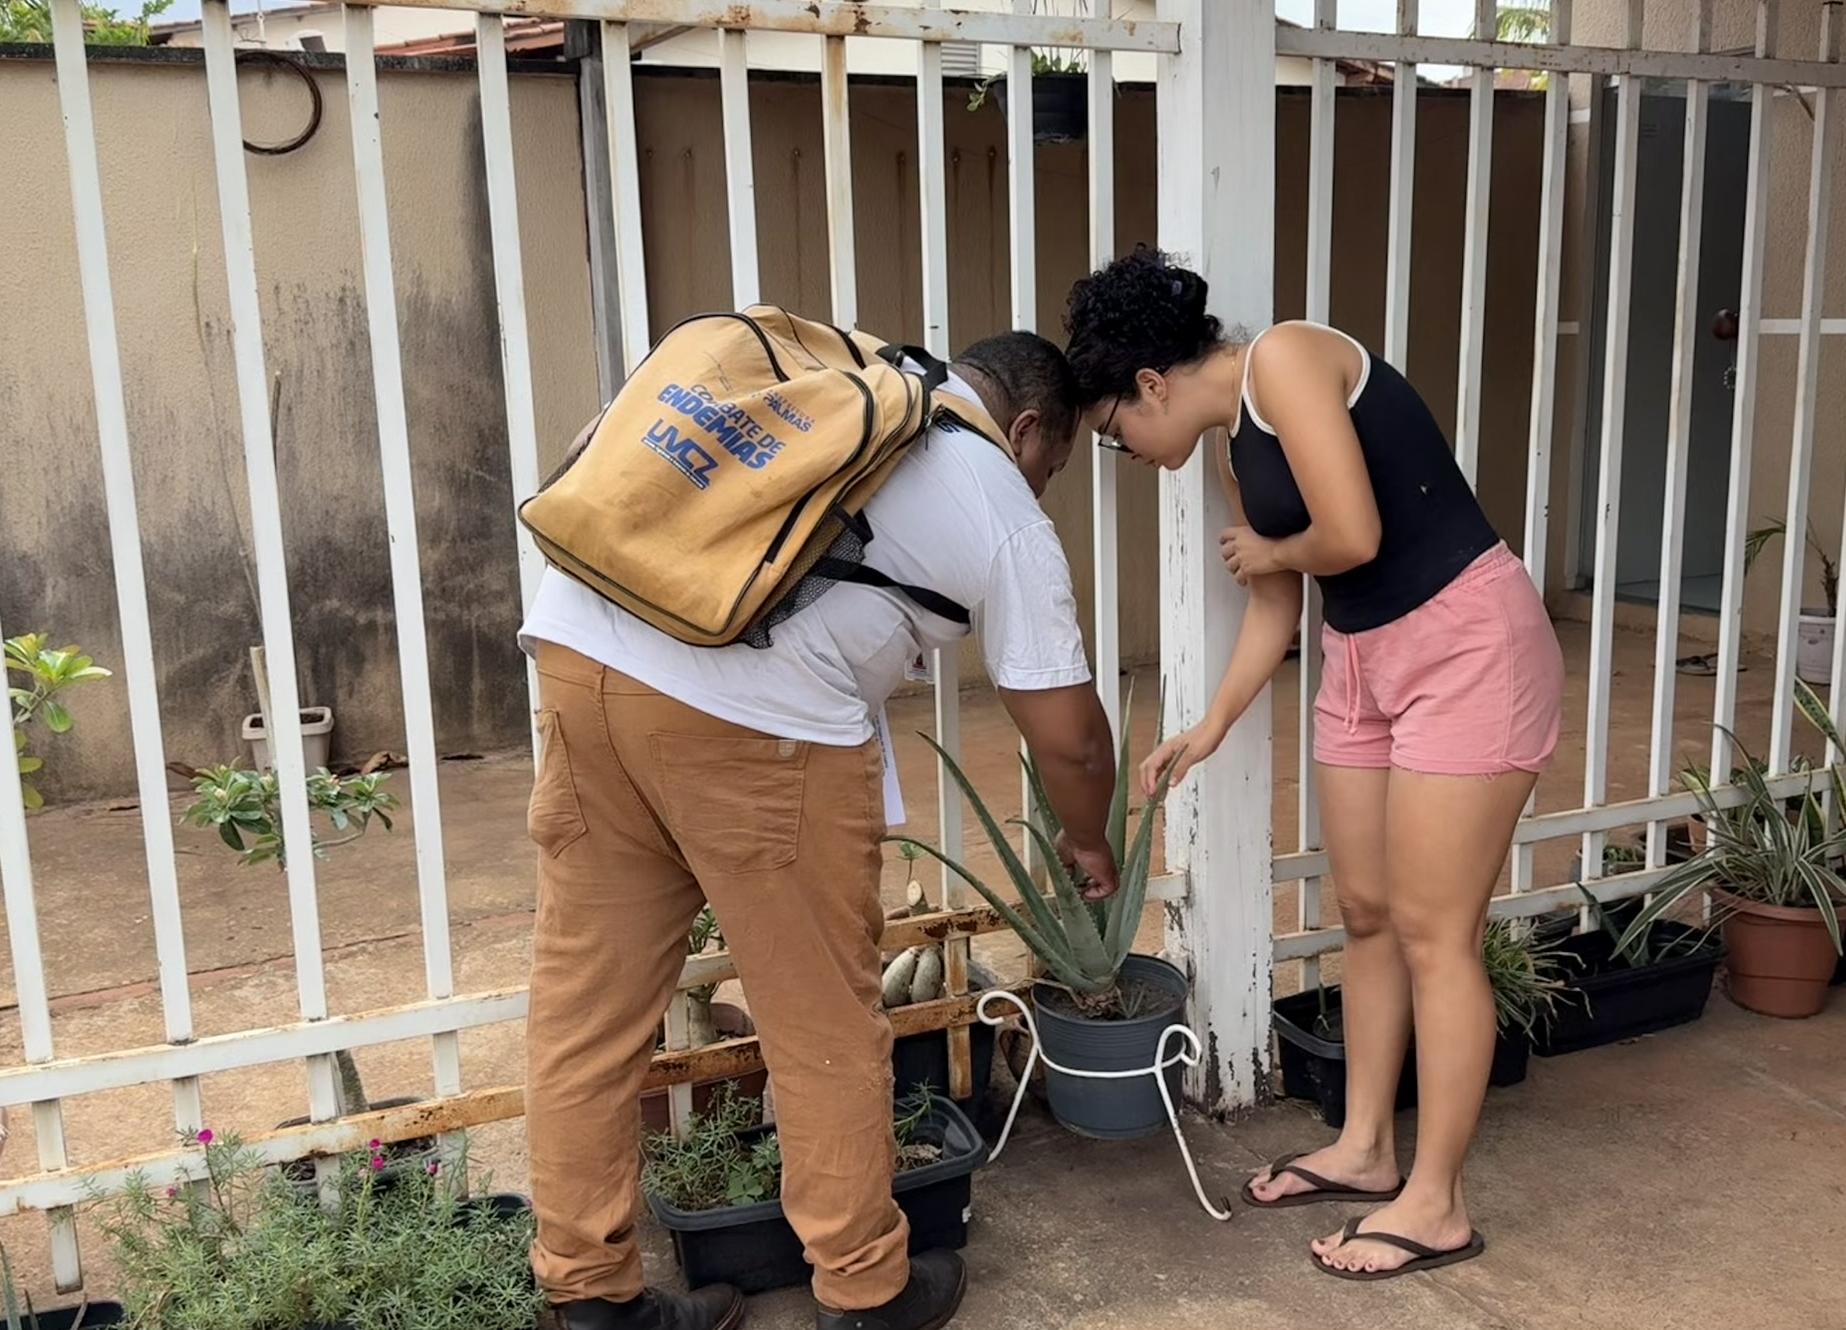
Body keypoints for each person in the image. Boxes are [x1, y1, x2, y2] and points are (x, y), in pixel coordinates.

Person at [517, 329, 1119, 1330]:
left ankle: (588, 1298)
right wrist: (1088, 838)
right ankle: (865, 1286)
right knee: (824, 1025)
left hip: (580, 658)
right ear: (1024, 429)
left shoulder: (822, 390)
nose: (1044, 484)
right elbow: (1072, 738)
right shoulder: (993, 490)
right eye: (1052, 465)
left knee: (584, 1013)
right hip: (759, 728)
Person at [1063, 249, 1563, 1282]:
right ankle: (1370, 1145)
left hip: (1467, 643)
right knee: (1369, 911)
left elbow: (1350, 532)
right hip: (1364, 659)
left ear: (1152, 383)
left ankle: (1439, 1200)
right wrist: (1207, 727)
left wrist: (1275, 551)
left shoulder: (1285, 362)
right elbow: (1276, 604)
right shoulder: (1229, 453)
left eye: (1117, 431)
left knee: (1437, 931)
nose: (1128, 450)